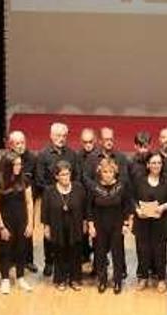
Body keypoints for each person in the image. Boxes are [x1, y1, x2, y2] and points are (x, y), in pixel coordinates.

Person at [35, 122, 80, 278]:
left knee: (68, 232)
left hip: (70, 198)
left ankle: (66, 263)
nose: (61, 138)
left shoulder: (72, 154)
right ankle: (49, 262)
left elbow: (77, 177)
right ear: (51, 136)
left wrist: (68, 190)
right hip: (51, 200)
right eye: (58, 135)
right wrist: (55, 191)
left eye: (64, 136)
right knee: (50, 233)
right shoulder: (43, 155)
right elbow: (39, 180)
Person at [86, 157, 133, 294]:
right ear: (100, 172)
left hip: (117, 225)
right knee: (100, 254)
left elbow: (127, 206)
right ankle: (102, 280)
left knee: (117, 254)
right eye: (105, 172)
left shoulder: (121, 186)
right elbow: (89, 208)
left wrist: (126, 223)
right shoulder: (94, 187)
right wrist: (91, 225)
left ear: (115, 172)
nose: (107, 174)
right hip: (99, 226)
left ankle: (117, 280)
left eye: (110, 172)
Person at [0, 151, 35, 294]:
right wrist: (1, 227)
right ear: (8, 165)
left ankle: (20, 277)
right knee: (5, 249)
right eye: (15, 164)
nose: (19, 167)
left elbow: (29, 203)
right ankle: (5, 279)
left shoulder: (25, 180)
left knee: (21, 248)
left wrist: (30, 223)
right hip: (5, 221)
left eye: (20, 164)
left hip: (21, 219)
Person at [132, 153, 167, 292]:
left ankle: (161, 279)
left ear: (162, 165)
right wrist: (137, 209)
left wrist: (164, 207)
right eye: (153, 163)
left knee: (160, 251)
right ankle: (143, 277)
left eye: (159, 163)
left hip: (161, 223)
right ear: (147, 165)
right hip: (143, 222)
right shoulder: (139, 180)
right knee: (142, 250)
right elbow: (131, 198)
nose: (156, 165)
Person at [41, 160, 87, 290]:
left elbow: (85, 208)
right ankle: (60, 279)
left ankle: (75, 279)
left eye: (67, 174)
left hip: (75, 226)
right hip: (57, 227)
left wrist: (85, 223)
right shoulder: (49, 191)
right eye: (62, 174)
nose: (65, 177)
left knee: (76, 252)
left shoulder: (78, 187)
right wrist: (46, 227)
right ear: (56, 176)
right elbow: (45, 211)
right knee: (59, 252)